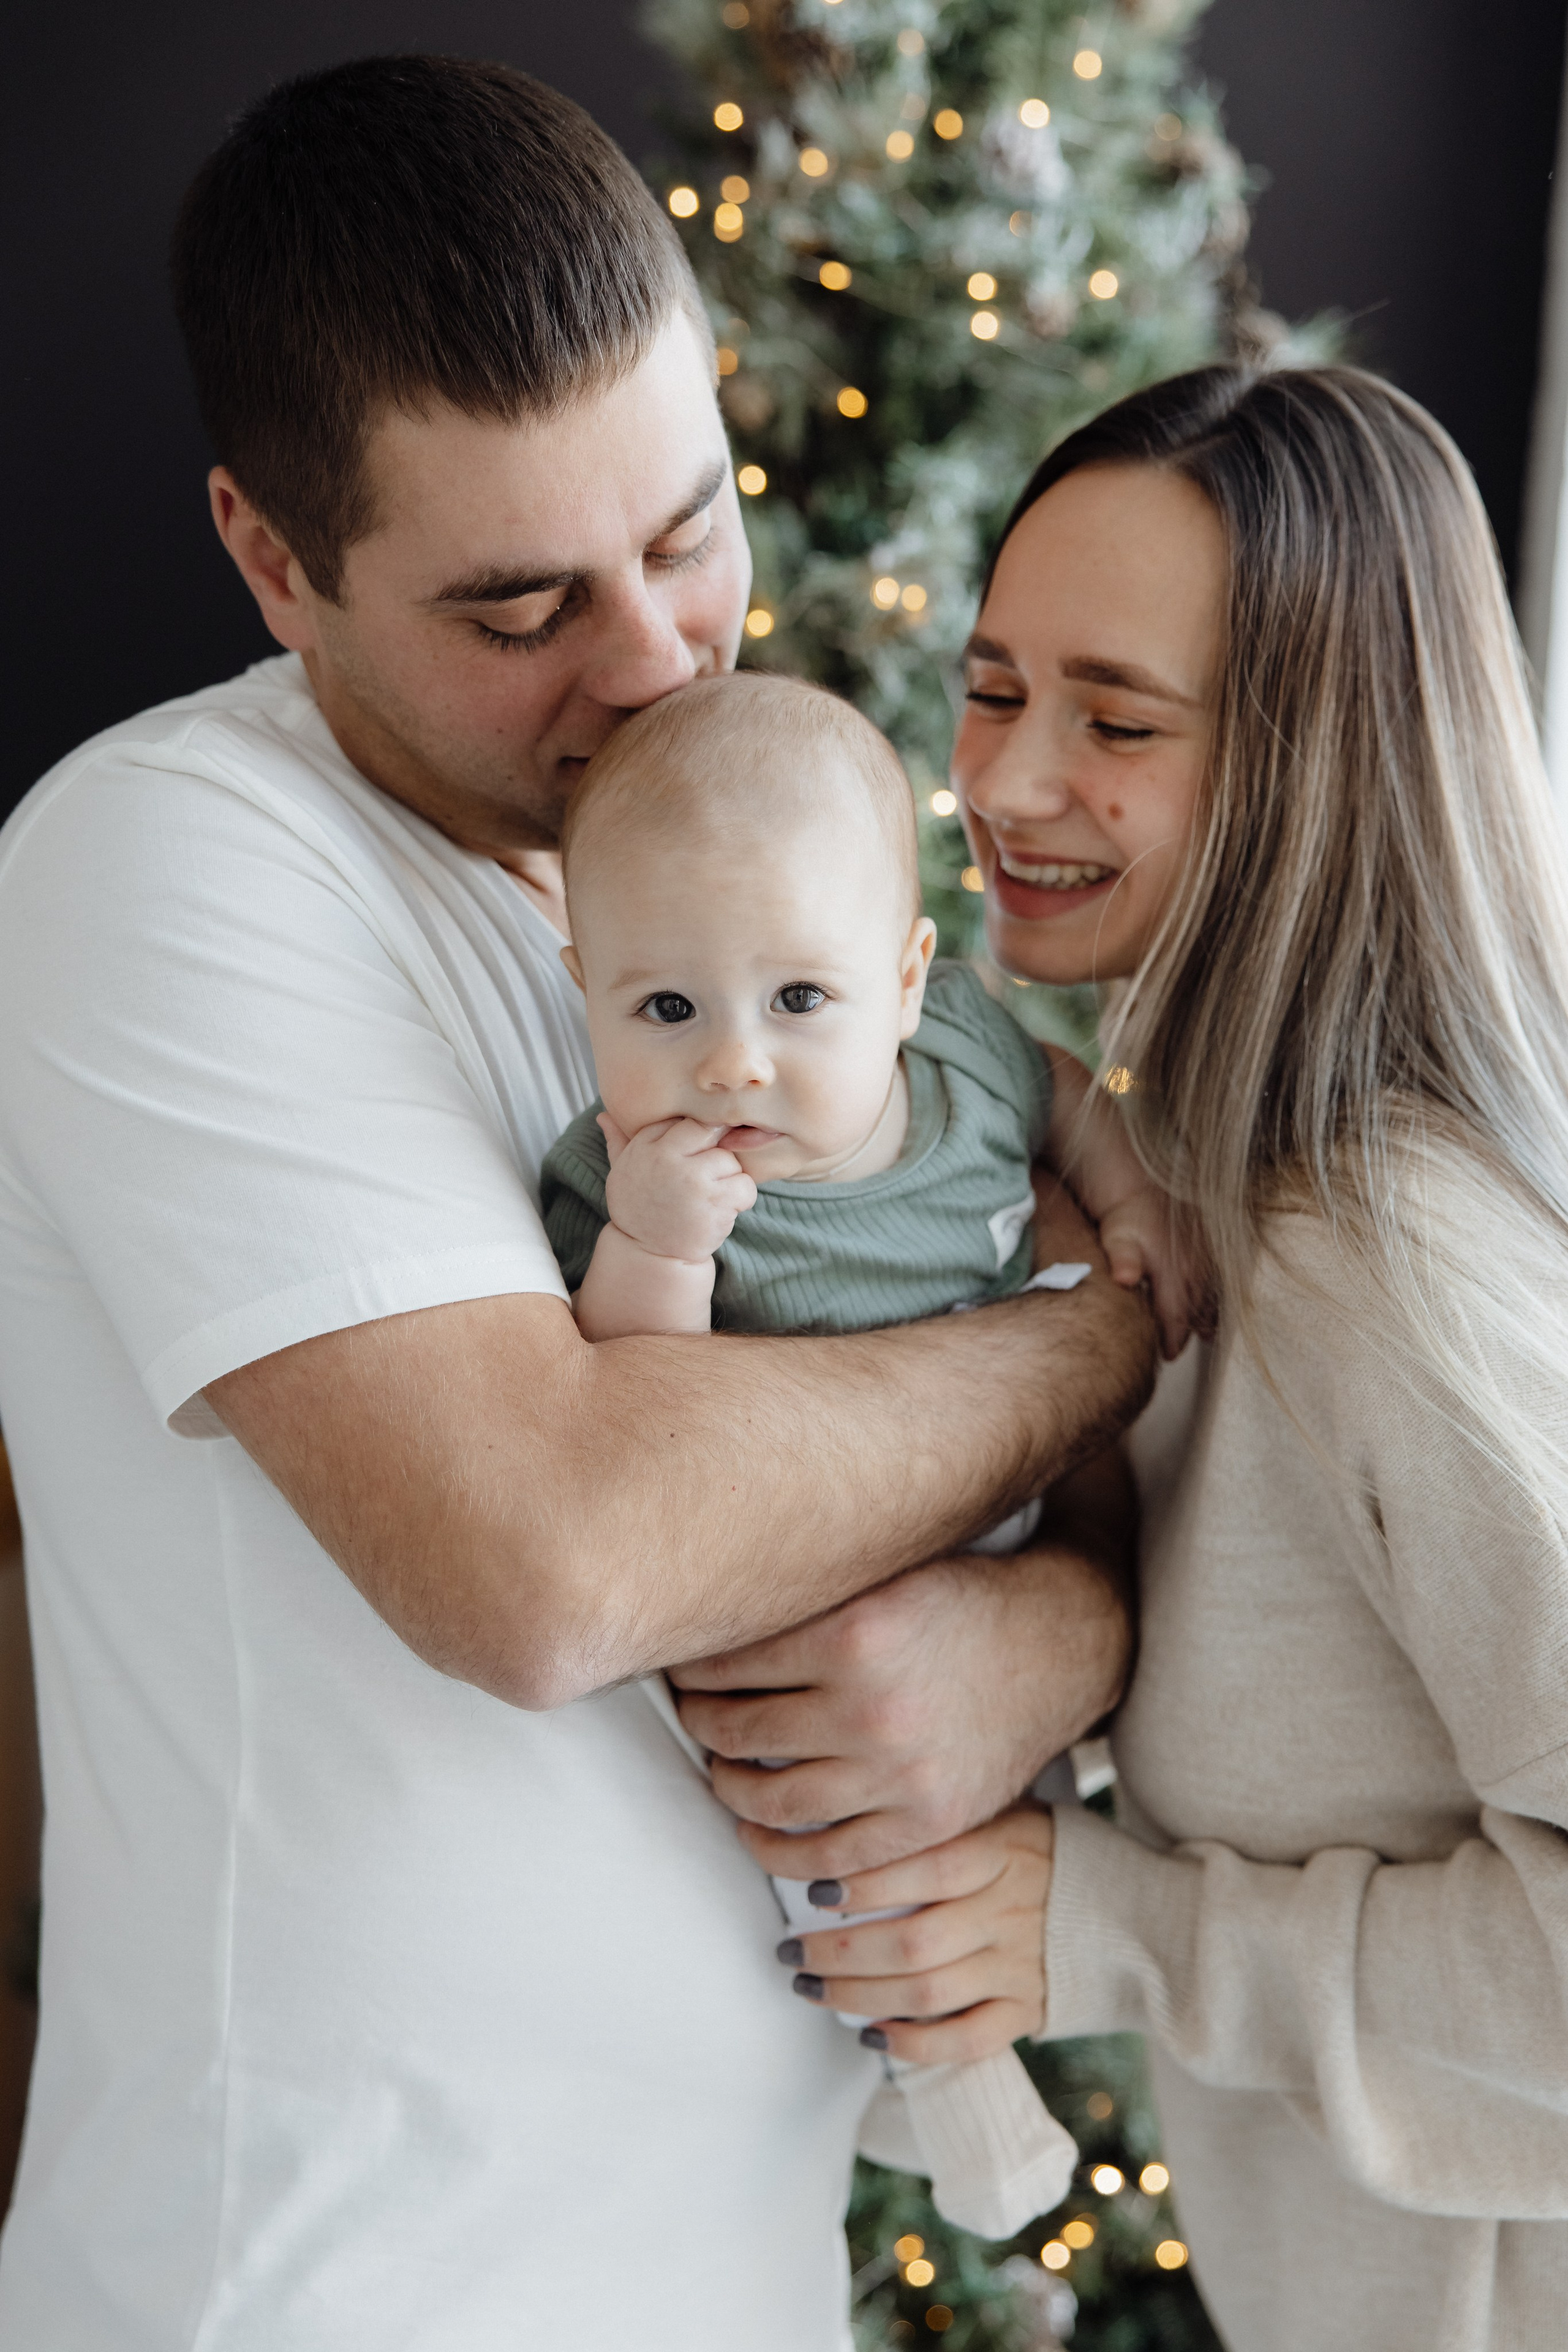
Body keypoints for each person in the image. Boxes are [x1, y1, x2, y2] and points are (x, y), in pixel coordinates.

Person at [0, 55, 1152, 2351]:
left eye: (689, 534)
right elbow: (553, 1562)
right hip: (339, 2286)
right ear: (272, 558)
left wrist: (1065, 1628)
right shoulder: (169, 865)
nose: (650, 662)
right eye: (520, 606)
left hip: (729, 2269)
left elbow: (944, 1306)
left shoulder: (737, 856)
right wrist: (1113, 1326)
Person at [772, 363, 1568, 2352]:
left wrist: (1123, 1930)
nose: (1007, 781)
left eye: (1118, 721)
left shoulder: (1382, 1263)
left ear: (1322, 765)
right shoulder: (1187, 1182)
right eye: (993, 688)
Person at [539, 668, 1189, 2240]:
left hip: (1010, 1528)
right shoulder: (626, 1177)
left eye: (798, 1001)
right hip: (816, 1586)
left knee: (1029, 1810)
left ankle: (931, 2051)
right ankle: (960, 2097)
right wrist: (657, 1247)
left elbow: (1060, 1098)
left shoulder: (962, 1054)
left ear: (905, 981)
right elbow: (630, 1401)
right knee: (851, 1840)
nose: (731, 1064)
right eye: (664, 1010)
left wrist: (1131, 1204)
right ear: (586, 988)